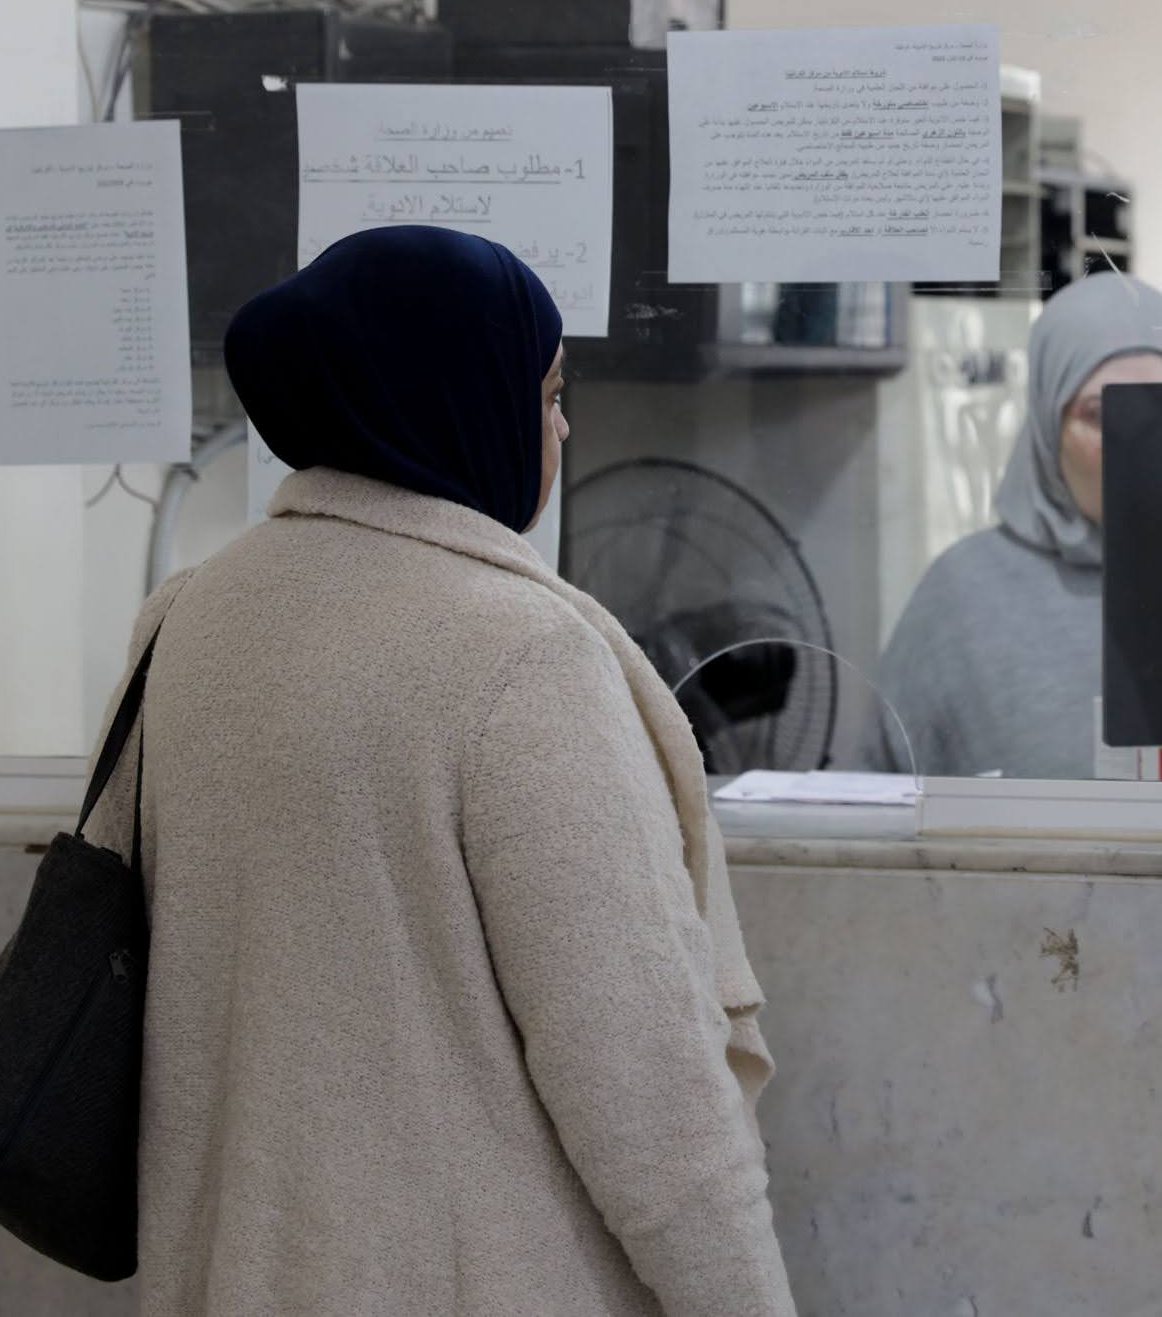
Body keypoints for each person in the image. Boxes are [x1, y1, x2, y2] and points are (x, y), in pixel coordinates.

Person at [80, 227, 796, 1316]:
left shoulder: (184, 622)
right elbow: (647, 1093)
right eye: (548, 393)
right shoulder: (521, 656)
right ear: (458, 400)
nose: (560, 426)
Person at [858, 273, 1162, 779]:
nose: (1139, 443)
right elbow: (876, 796)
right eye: (1102, 414)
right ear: (1049, 428)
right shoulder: (964, 596)